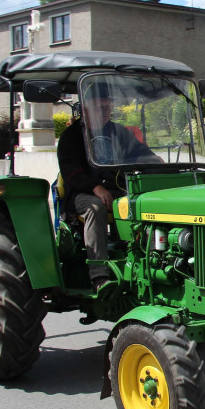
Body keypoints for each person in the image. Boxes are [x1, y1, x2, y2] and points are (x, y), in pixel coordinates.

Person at [57, 81, 161, 291]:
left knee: (144, 203)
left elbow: (140, 153)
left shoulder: (118, 132)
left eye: (108, 107)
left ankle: (146, 265)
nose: (106, 112)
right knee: (95, 207)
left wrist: (157, 163)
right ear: (85, 109)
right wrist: (96, 187)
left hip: (116, 189)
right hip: (81, 193)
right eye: (100, 107)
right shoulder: (72, 136)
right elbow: (72, 173)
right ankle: (99, 275)